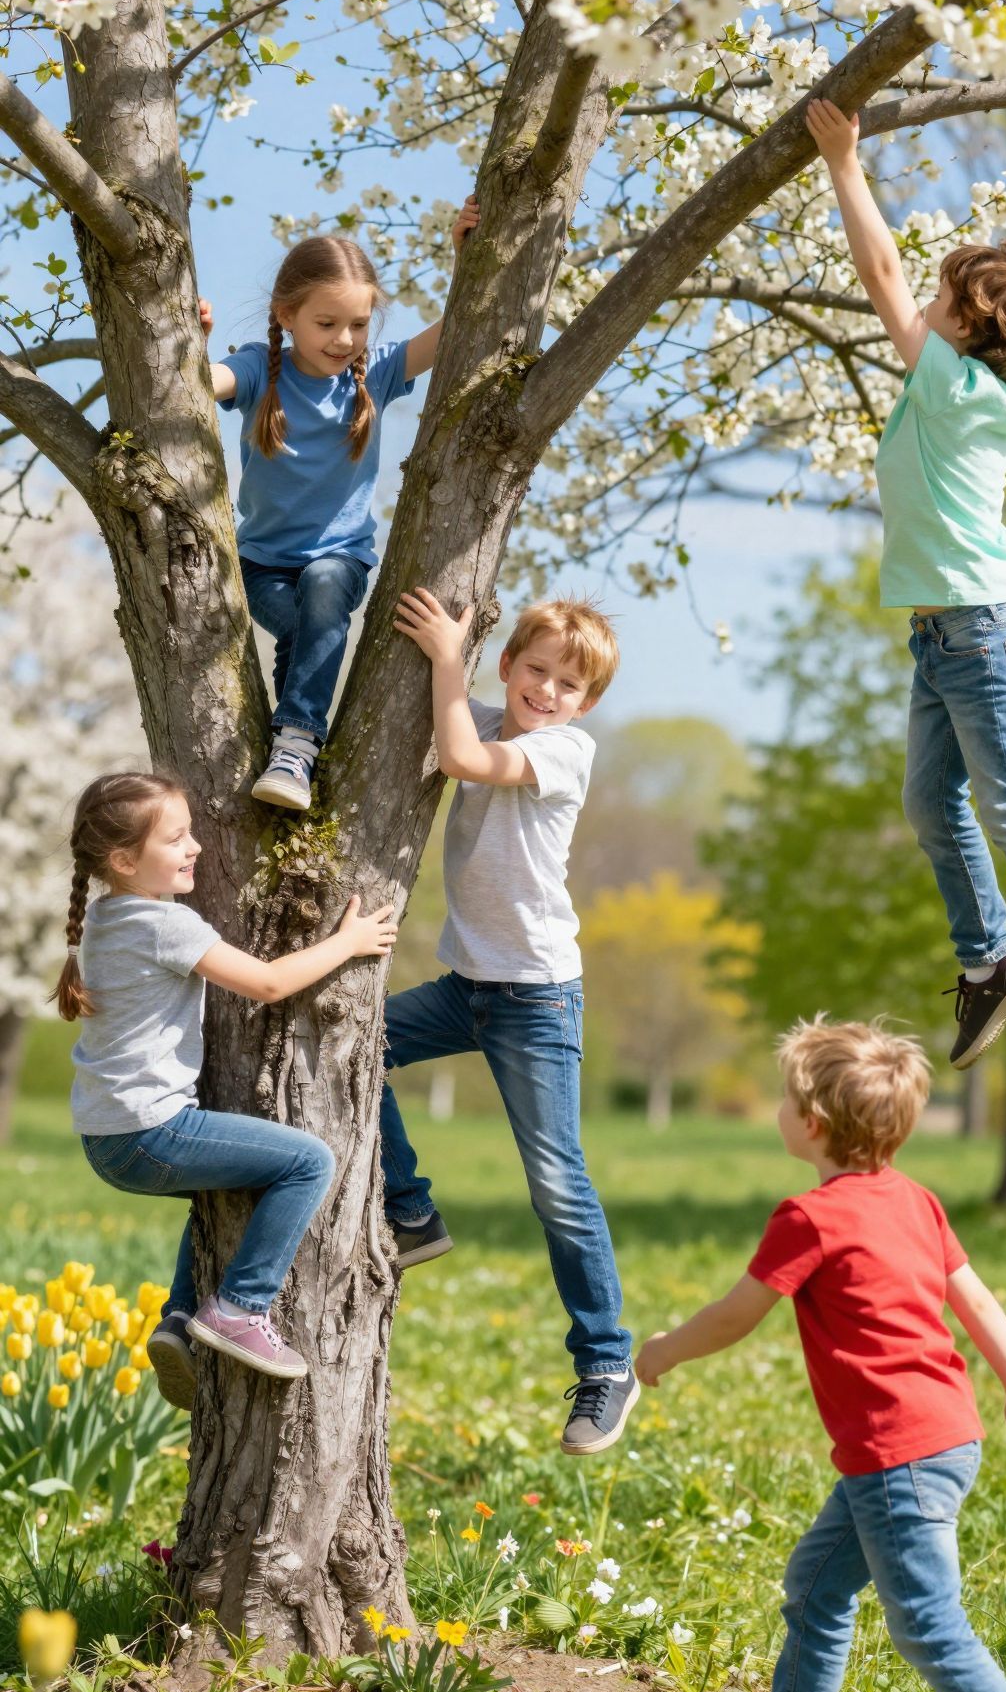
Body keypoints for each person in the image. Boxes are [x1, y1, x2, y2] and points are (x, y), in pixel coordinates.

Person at [636, 1017, 1006, 1692]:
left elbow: (738, 1313)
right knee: (815, 1587)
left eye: (783, 1097)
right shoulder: (916, 1201)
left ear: (810, 1122)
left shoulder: (809, 1217)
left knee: (928, 1626)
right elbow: (979, 1303)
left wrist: (662, 1351)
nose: (779, 1109)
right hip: (943, 1434)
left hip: (899, 1455)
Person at [805, 99, 1006, 1089]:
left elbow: (882, 274)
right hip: (947, 632)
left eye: (945, 301)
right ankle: (990, 961)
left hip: (979, 631)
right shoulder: (975, 385)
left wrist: (845, 166)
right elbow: (906, 292)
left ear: (966, 331)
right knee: (930, 798)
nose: (924, 306)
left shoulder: (956, 390)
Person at [381, 585, 636, 1457]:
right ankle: (409, 1207)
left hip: (534, 995)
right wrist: (438, 666)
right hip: (468, 985)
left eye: (569, 683)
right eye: (537, 670)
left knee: (557, 1183)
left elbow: (458, 758)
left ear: (587, 703)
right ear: (510, 665)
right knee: (349, 1047)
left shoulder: (567, 751)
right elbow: (441, 723)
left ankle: (606, 1362)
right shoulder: (489, 716)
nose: (548, 691)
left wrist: (446, 657)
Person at [58, 772, 397, 1407]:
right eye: (177, 838)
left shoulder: (106, 916)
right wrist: (347, 943)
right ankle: (239, 1308)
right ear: (125, 860)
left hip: (110, 1140)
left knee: (220, 1186)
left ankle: (181, 1319)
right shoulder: (165, 925)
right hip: (151, 1132)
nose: (195, 848)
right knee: (308, 1160)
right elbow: (268, 984)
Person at [199, 201, 479, 811]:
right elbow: (201, 383)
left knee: (324, 591)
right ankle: (295, 744)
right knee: (310, 640)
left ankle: (296, 745)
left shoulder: (374, 372)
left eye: (357, 324)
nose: (344, 340)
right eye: (327, 324)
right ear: (287, 315)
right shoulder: (259, 369)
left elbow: (453, 331)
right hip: (261, 565)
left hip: (339, 560)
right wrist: (188, 343)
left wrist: (465, 262)